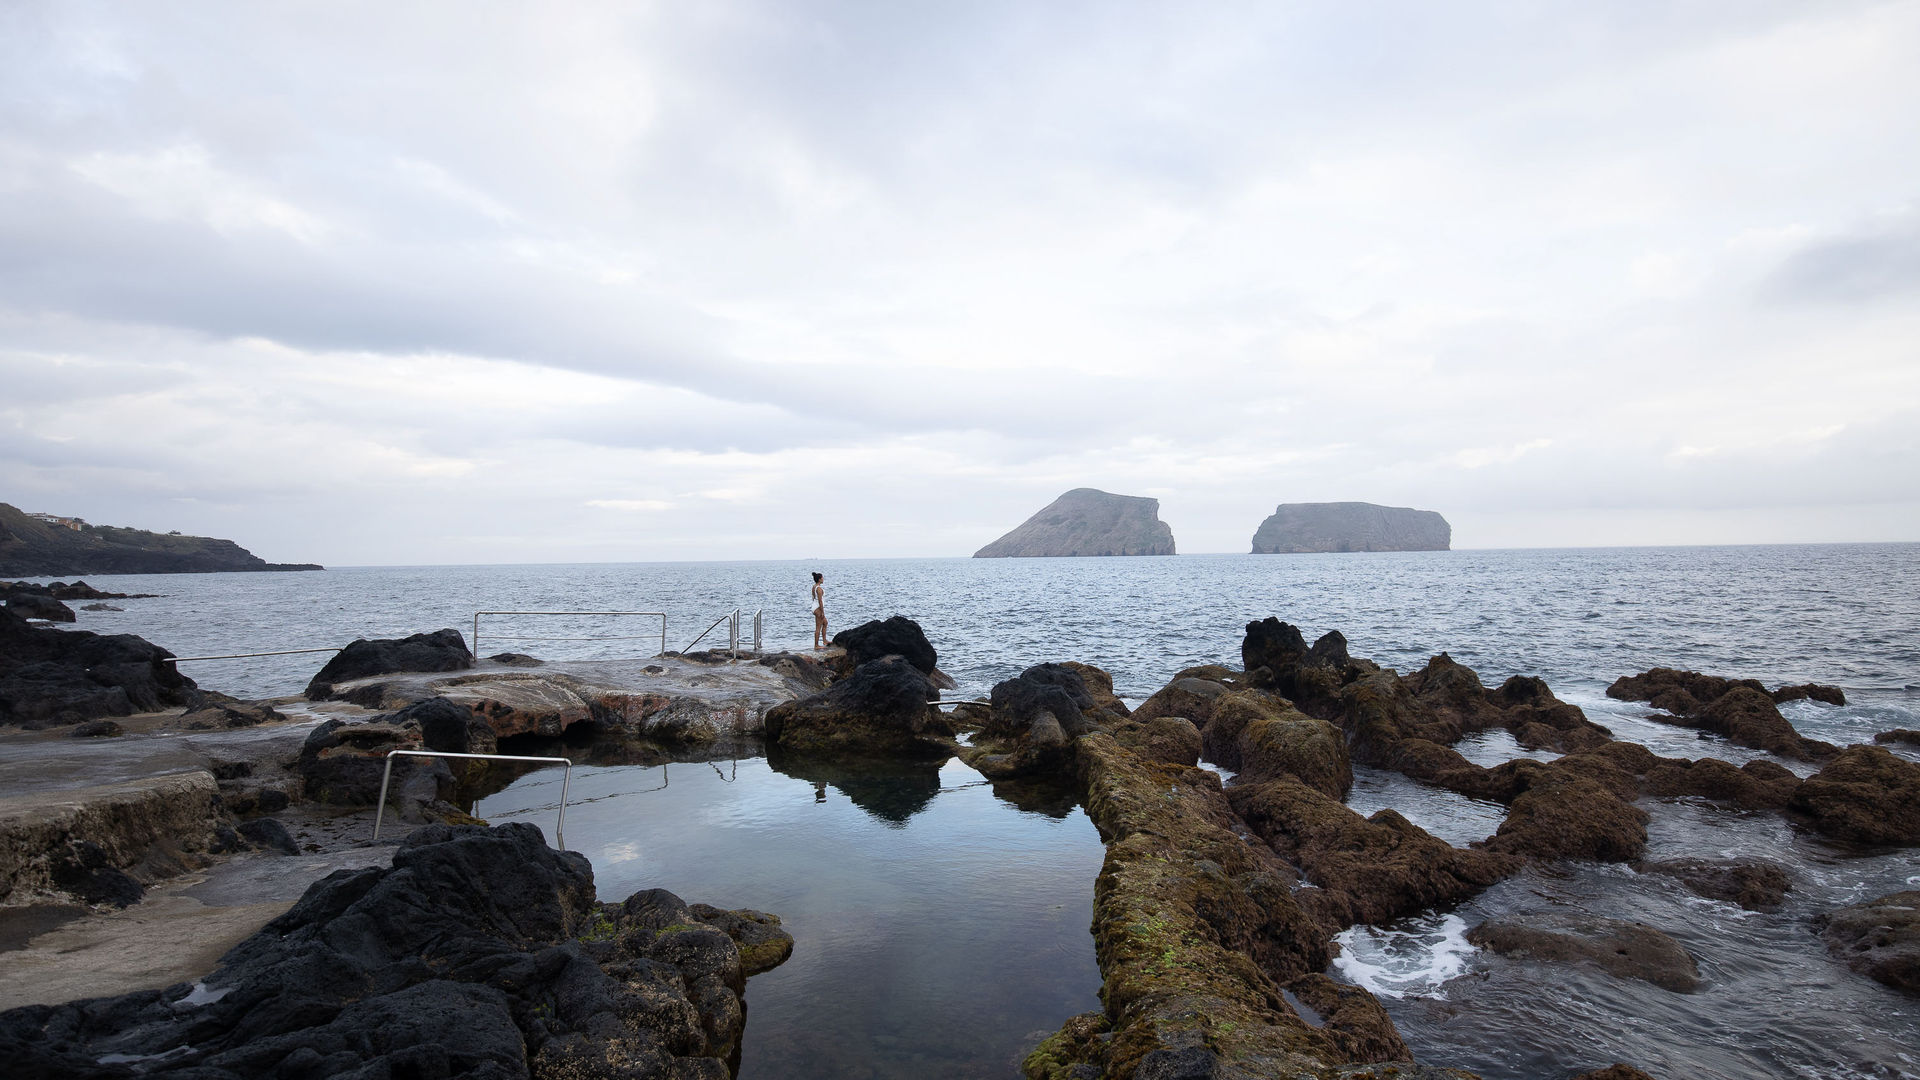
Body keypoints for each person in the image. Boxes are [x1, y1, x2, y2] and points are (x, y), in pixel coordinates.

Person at [811, 571, 827, 650]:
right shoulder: (819, 589)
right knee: (818, 627)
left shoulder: (814, 586)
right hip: (818, 608)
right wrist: (822, 612)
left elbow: (813, 597)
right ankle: (816, 645)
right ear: (819, 579)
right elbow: (820, 601)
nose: (823, 579)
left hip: (815, 606)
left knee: (825, 623)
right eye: (822, 578)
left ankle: (824, 641)